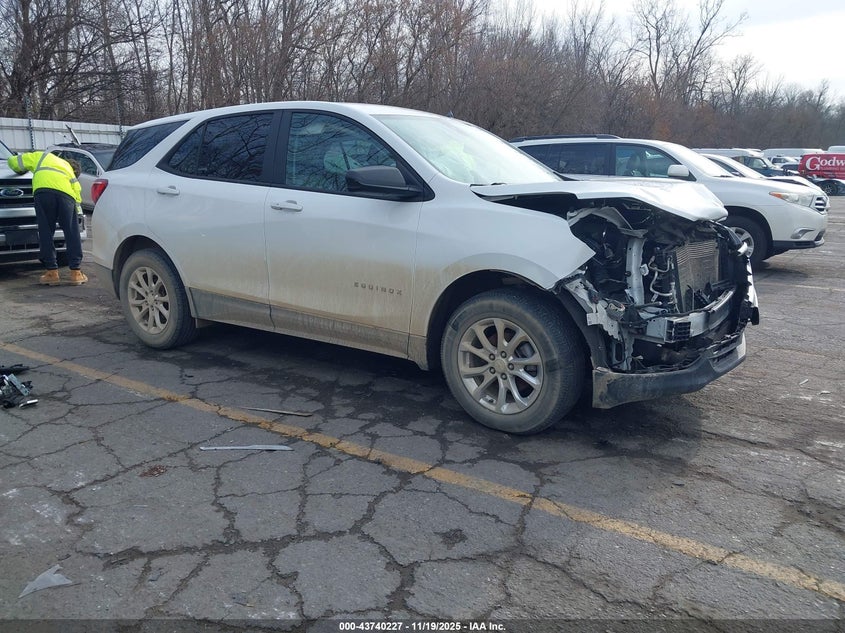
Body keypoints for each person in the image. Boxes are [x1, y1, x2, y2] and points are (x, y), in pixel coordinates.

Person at [7, 151, 87, 285]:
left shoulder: (42, 156)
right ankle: (76, 273)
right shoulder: (68, 170)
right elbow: (77, 192)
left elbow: (13, 162)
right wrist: (75, 210)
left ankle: (52, 273)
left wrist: (20, 170)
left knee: (46, 232)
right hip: (67, 196)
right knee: (72, 233)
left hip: (43, 193)